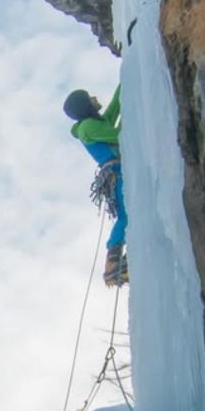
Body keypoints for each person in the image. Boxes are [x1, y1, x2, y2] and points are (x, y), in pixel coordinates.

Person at [63, 84, 129, 286]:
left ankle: (116, 261)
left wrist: (126, 74)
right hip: (115, 173)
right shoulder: (88, 127)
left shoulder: (94, 124)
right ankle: (112, 264)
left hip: (116, 172)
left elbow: (115, 107)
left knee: (128, 214)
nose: (94, 98)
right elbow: (119, 136)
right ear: (85, 105)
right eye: (89, 97)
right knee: (127, 215)